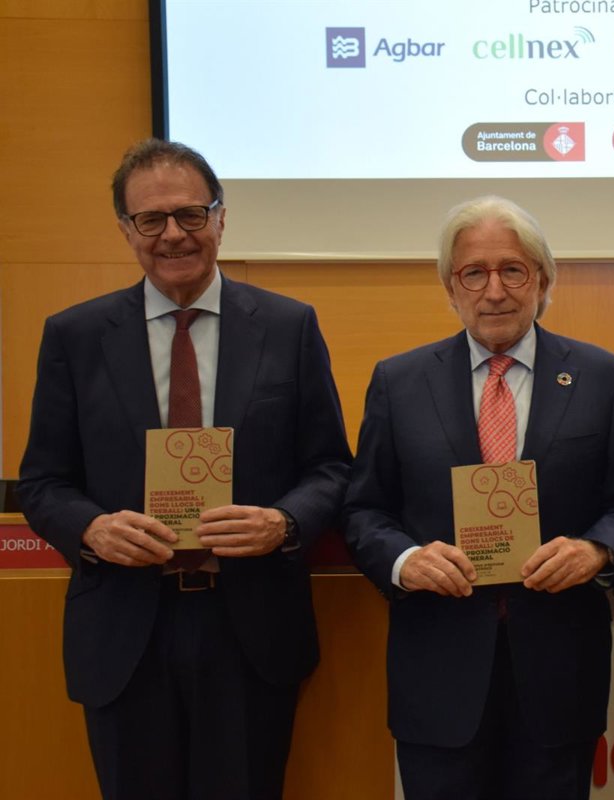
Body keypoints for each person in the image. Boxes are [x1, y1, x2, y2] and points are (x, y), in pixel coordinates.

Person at [17, 138, 353, 799]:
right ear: (126, 230)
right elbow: (42, 482)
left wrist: (284, 522)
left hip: (249, 627)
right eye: (151, 219)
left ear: (221, 218)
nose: (173, 234)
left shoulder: (288, 327)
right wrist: (90, 529)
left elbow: (332, 467)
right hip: (124, 630)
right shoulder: (75, 337)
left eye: (191, 214)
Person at [342, 195, 614, 800]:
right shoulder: (398, 382)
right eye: (474, 273)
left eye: (513, 270)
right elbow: (364, 510)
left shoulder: (602, 377)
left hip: (559, 672)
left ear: (543, 281)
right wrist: (406, 561)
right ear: (450, 287)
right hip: (438, 672)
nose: (494, 291)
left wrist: (596, 550)